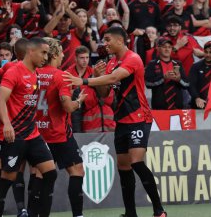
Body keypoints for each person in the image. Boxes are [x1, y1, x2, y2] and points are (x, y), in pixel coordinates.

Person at [63, 26, 167, 217]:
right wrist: (95, 77)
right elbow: (104, 93)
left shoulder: (133, 59)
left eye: (108, 39)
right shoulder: (110, 63)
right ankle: (130, 213)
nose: (105, 43)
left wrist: (84, 81)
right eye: (104, 40)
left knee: (136, 162)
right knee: (124, 166)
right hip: (121, 119)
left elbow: (114, 77)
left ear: (121, 40)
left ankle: (159, 209)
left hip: (139, 117)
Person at [0, 37, 57, 217]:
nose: (46, 57)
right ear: (31, 52)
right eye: (43, 53)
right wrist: (6, 124)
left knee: (50, 173)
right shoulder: (15, 72)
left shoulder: (35, 73)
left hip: (32, 134)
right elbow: (0, 100)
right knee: (8, 178)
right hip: (15, 135)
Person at [36, 37, 87, 217]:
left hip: (37, 134)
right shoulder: (61, 75)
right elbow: (67, 107)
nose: (64, 54)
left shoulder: (33, 72)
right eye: (61, 51)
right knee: (77, 171)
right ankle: (78, 215)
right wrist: (79, 101)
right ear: (55, 54)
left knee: (42, 177)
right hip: (59, 133)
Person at [67, 46, 115, 133]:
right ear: (75, 58)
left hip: (104, 123)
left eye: (87, 57)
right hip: (75, 114)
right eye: (82, 58)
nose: (85, 60)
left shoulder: (94, 73)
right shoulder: (68, 74)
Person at [145, 37, 189, 110]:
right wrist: (163, 78)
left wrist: (179, 79)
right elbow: (148, 83)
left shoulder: (178, 64)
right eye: (164, 47)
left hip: (177, 106)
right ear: (158, 48)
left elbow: (187, 84)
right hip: (159, 107)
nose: (167, 49)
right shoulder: (152, 64)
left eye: (169, 47)